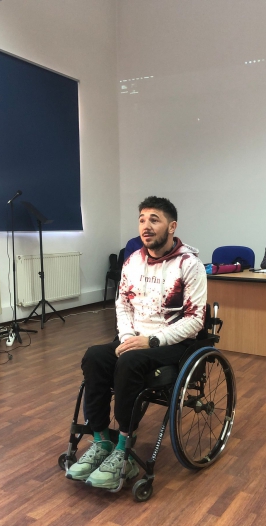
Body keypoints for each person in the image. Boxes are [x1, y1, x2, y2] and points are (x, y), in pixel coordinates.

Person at [67, 196, 207, 488]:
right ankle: (101, 440)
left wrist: (151, 341)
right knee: (95, 356)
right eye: (142, 219)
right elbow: (122, 305)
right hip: (135, 339)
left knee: (129, 362)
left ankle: (124, 450)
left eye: (154, 220)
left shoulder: (189, 265)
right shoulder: (133, 261)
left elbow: (195, 321)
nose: (146, 226)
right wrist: (129, 337)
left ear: (172, 227)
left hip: (172, 342)